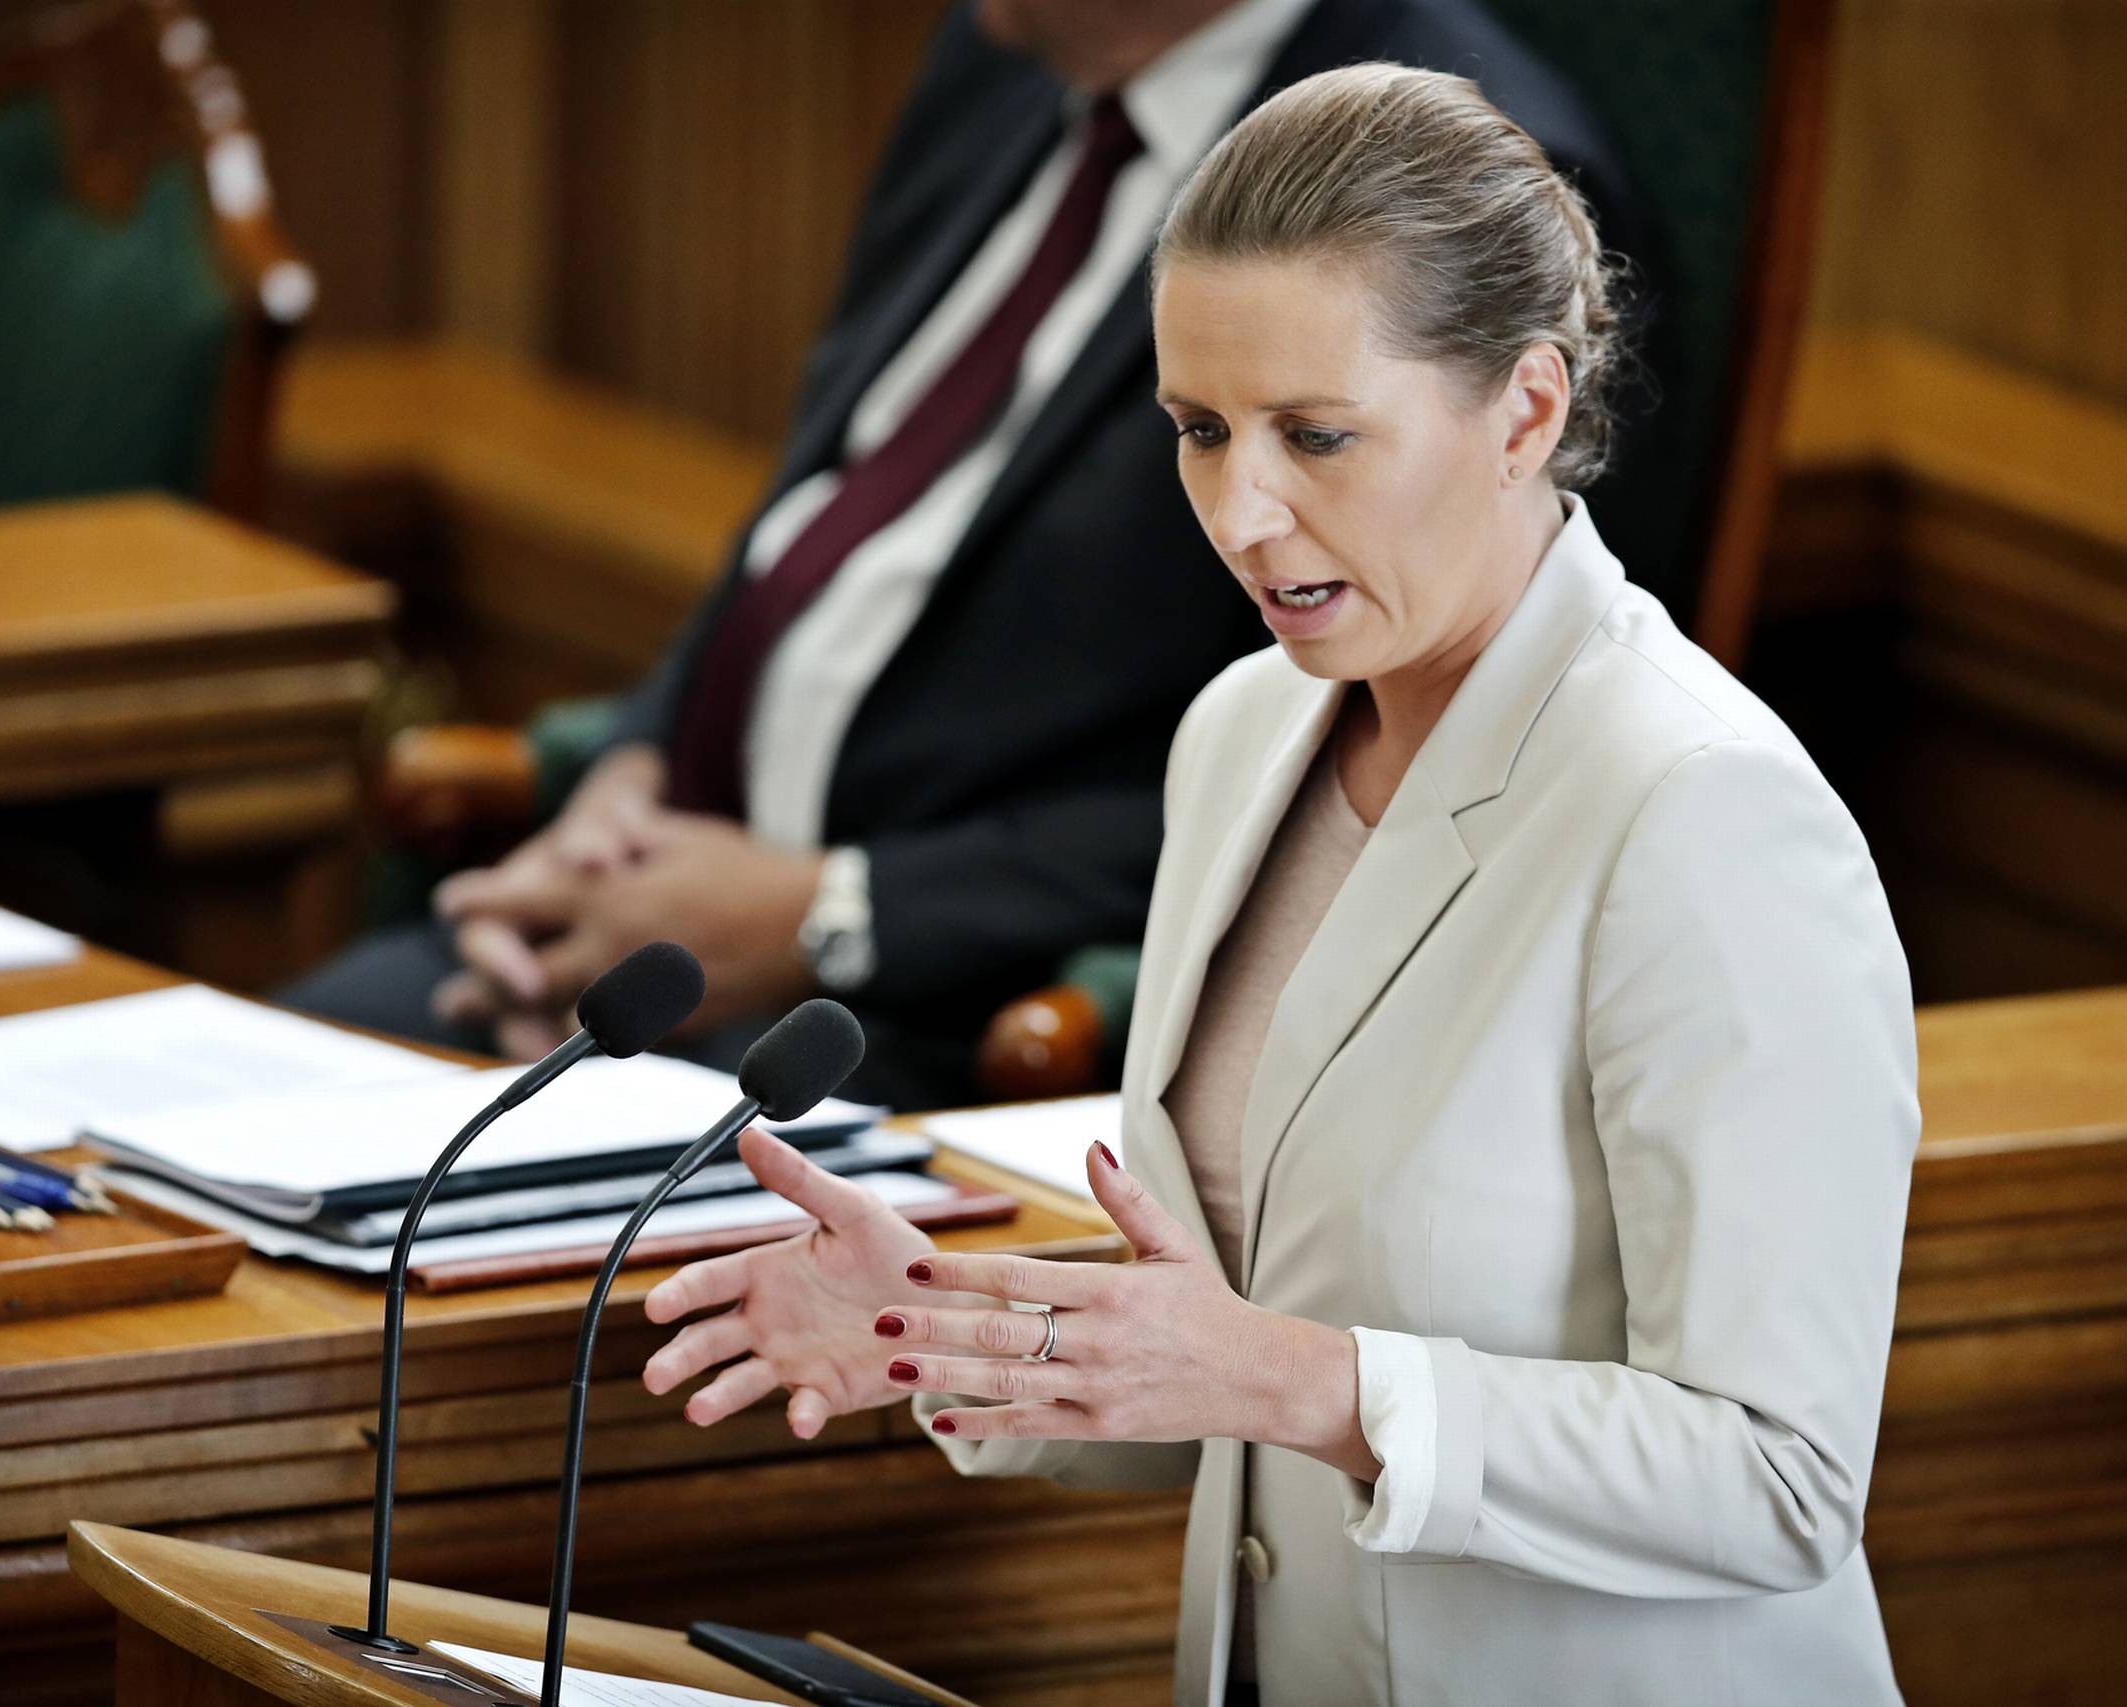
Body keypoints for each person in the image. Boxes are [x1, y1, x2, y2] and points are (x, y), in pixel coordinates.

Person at [635, 64, 1917, 1706]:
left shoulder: (1703, 814)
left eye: (1318, 435)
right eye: (1198, 431)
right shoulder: (1241, 736)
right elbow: (1235, 1363)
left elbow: (1781, 1481)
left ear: (1526, 409)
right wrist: (953, 1327)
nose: (1243, 513)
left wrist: (1298, 1381)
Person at [283, 0, 1653, 1112]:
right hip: (656, 932)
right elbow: (829, 503)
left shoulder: (1471, 181)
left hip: (932, 1042)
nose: (1241, 502)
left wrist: (828, 914)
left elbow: (1413, 772)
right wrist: (632, 780)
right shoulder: (998, 68)